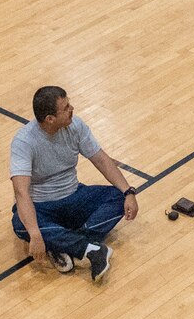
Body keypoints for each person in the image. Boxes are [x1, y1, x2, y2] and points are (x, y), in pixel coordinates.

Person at [9, 88, 140, 286]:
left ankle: (63, 243)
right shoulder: (23, 142)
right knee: (21, 224)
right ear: (50, 119)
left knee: (118, 197)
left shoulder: (76, 125)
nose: (72, 109)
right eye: (66, 108)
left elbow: (101, 160)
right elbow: (21, 192)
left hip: (75, 196)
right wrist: (35, 235)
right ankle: (92, 249)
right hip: (43, 206)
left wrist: (128, 191)